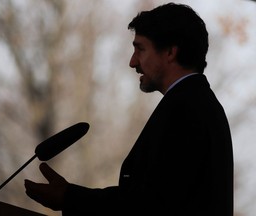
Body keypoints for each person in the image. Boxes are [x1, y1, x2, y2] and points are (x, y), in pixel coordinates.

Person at [24, 2, 234, 215]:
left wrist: (70, 197)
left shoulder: (186, 110)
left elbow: (150, 206)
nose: (133, 62)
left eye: (140, 49)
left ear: (170, 52)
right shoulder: (197, 103)